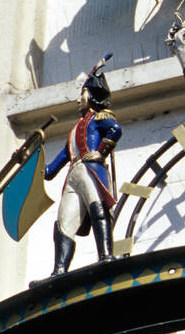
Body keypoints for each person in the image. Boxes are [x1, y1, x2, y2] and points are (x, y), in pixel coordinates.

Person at [36, 57, 122, 280]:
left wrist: (101, 152)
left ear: (91, 95)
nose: (77, 101)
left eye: (81, 94)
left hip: (90, 169)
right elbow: (52, 169)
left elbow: (115, 130)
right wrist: (31, 163)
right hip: (73, 174)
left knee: (97, 208)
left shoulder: (99, 118)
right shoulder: (74, 130)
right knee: (64, 221)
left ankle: (105, 255)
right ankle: (59, 270)